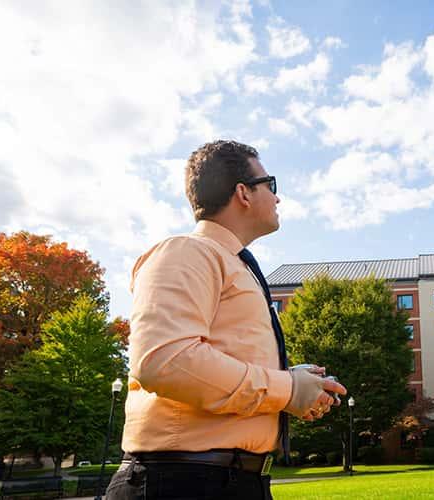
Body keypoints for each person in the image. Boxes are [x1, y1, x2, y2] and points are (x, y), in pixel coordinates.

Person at [105, 140, 347, 499]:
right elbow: (164, 361)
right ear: (242, 193)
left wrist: (295, 387)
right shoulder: (187, 251)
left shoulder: (234, 265)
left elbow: (211, 361)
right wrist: (287, 389)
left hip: (230, 482)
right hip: (182, 483)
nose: (278, 198)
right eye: (271, 185)